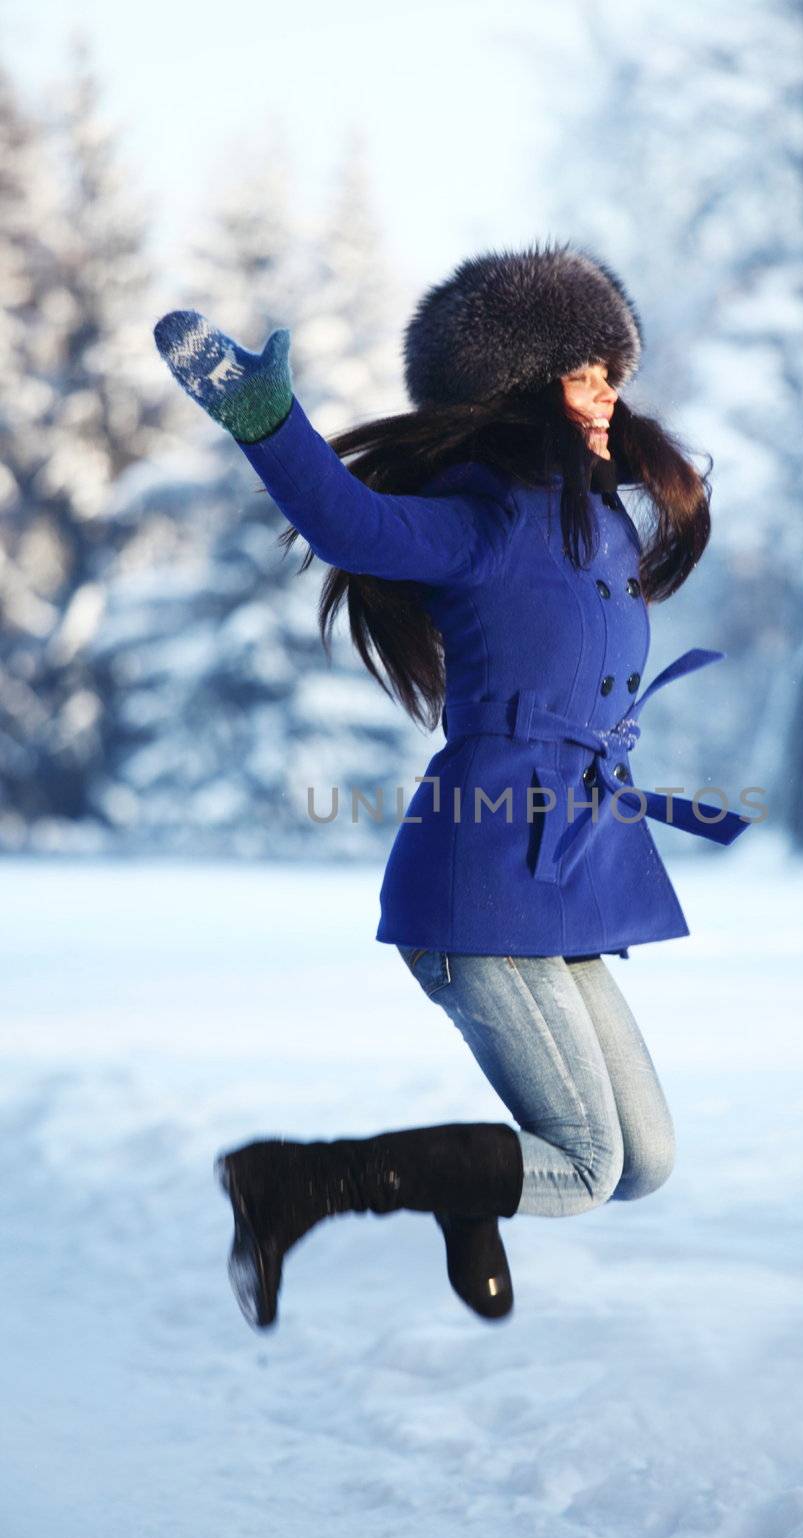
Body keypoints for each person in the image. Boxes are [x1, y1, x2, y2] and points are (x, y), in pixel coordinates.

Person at [153, 238, 753, 1333]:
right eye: (589, 374)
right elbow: (349, 522)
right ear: (521, 384)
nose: (611, 395)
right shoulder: (477, 520)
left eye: (616, 373)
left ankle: (462, 1196)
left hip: (568, 859)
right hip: (483, 869)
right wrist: (267, 423)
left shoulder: (599, 517)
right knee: (581, 1163)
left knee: (644, 1161)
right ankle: (291, 1182)